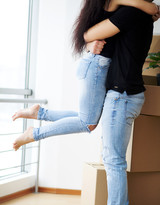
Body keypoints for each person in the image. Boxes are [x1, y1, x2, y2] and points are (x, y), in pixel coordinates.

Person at [12, 0, 158, 151]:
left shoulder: (123, 9)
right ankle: (34, 133)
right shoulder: (118, 2)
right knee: (88, 122)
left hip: (101, 66)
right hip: (97, 65)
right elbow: (149, 7)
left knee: (87, 118)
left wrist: (147, 14)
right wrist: (151, 9)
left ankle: (40, 113)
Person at [80, 1, 160, 205]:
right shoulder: (140, 14)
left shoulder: (129, 13)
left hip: (121, 95)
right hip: (126, 94)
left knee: (114, 161)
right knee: (114, 159)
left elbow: (88, 34)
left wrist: (115, 2)